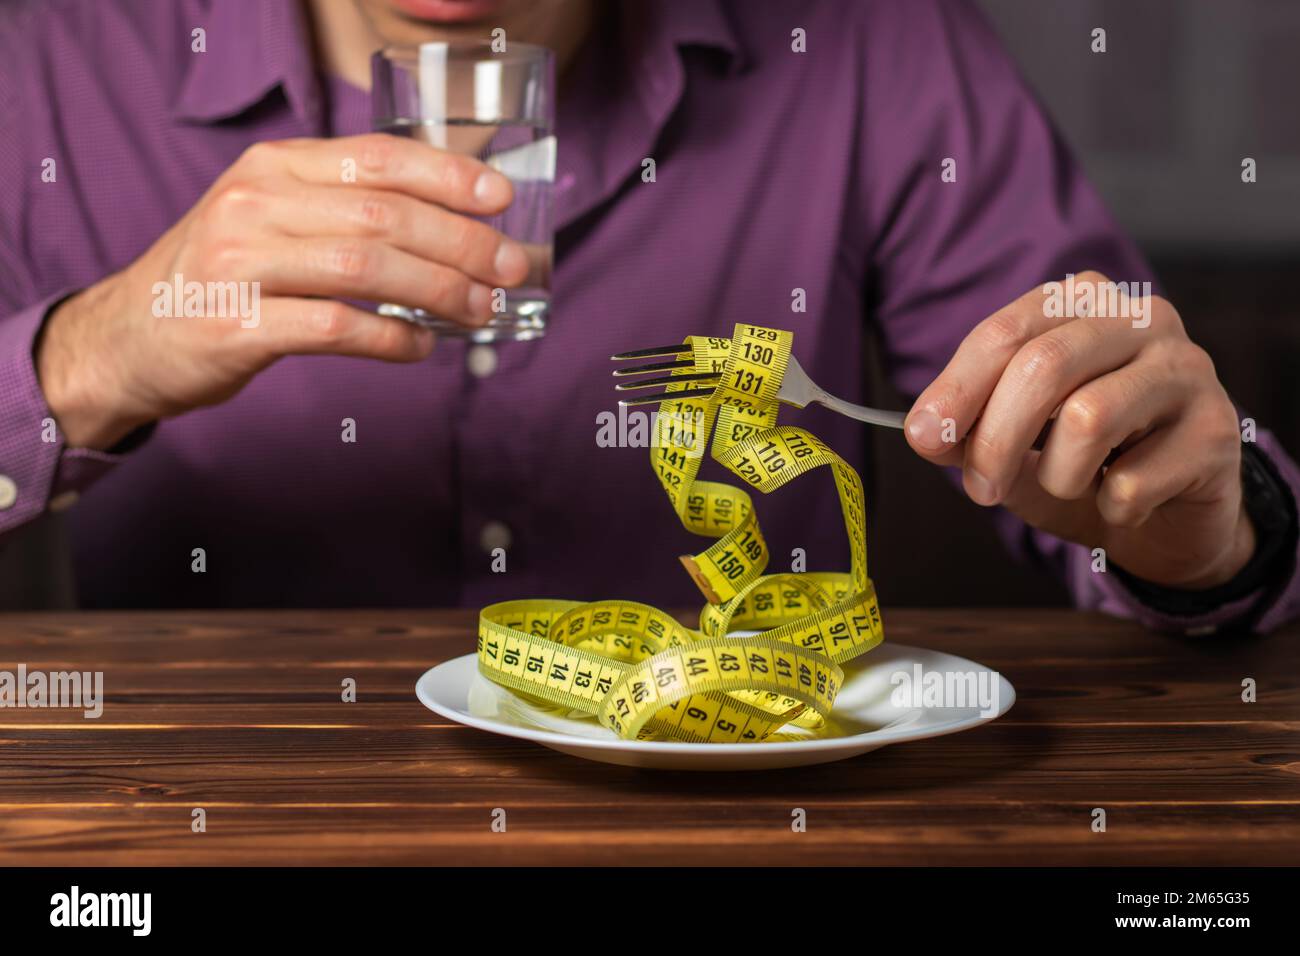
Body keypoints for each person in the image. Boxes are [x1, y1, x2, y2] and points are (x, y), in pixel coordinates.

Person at [0, 0, 1295, 633]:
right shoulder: (50, 52)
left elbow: (1151, 471)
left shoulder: (869, 41)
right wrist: (84, 357)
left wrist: (1204, 527)